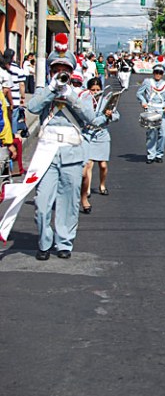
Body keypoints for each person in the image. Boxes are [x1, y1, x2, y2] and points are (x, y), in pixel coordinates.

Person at [27, 41, 96, 260]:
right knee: (42, 203)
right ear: (50, 72)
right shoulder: (43, 91)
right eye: (56, 70)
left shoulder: (79, 94)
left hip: (71, 152)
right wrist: (51, 90)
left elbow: (91, 117)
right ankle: (44, 242)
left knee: (69, 201)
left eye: (64, 70)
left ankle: (64, 242)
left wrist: (69, 96)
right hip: (46, 153)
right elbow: (32, 107)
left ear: (71, 72)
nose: (60, 74)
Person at [80, 77, 120, 214]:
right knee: (88, 164)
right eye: (93, 90)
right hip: (88, 134)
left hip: (102, 134)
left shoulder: (105, 100)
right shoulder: (84, 101)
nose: (95, 92)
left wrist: (110, 115)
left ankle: (102, 185)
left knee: (102, 165)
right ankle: (87, 189)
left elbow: (117, 116)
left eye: (98, 90)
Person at [136, 64, 165, 164]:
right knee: (151, 133)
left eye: (160, 73)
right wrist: (143, 101)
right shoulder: (147, 82)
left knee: (163, 133)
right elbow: (139, 93)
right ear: (153, 73)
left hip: (162, 110)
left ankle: (159, 154)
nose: (158, 74)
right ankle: (151, 155)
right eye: (156, 72)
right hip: (151, 109)